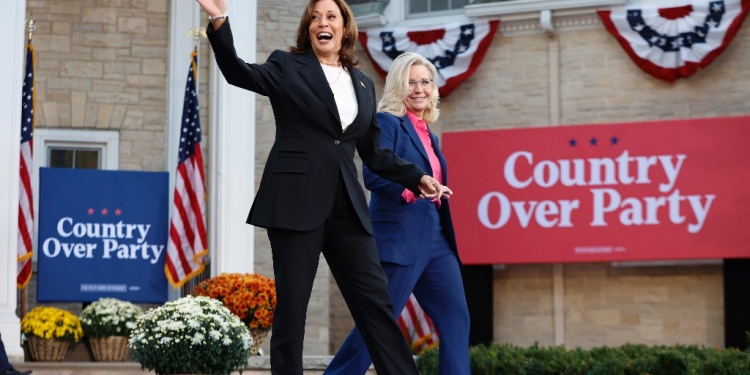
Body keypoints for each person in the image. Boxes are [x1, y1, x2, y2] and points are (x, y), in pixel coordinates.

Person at [195, 0, 452, 374]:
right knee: (293, 311)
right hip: (295, 202)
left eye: (331, 16)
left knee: (375, 305)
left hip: (347, 204)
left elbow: (375, 153)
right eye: (315, 17)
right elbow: (238, 73)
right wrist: (219, 19)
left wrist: (417, 176)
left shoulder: (363, 83)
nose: (322, 22)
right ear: (308, 28)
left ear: (345, 27)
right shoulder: (287, 66)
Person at [324, 52, 470, 375]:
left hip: (436, 238)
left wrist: (431, 189)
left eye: (425, 82)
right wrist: (414, 187)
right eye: (411, 82)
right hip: (400, 235)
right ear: (398, 86)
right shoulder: (389, 122)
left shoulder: (428, 134)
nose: (419, 89)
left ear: (433, 88)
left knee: (456, 316)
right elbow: (374, 175)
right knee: (378, 323)